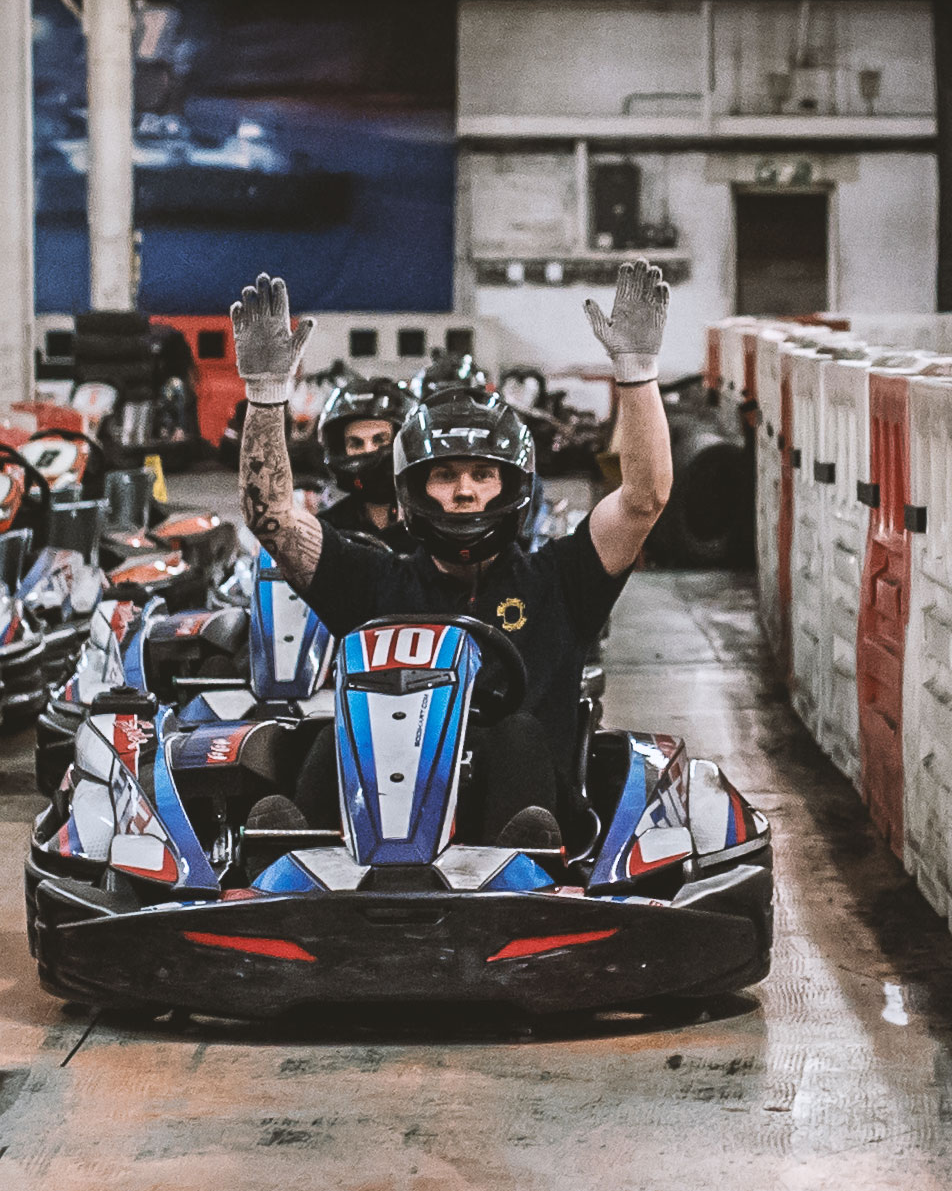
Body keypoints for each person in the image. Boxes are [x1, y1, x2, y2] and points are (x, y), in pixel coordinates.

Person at [232, 261, 674, 849]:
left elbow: (644, 499)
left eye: (483, 475)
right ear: (412, 488)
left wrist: (638, 377)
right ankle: (290, 869)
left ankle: (522, 859)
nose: (465, 490)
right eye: (444, 475)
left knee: (513, 732)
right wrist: (266, 398)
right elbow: (273, 520)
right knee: (331, 733)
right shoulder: (374, 581)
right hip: (377, 827)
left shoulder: (559, 581)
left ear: (512, 486)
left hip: (522, 842)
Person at [312, 374, 418, 553]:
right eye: (356, 443)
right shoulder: (326, 528)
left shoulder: (430, 526)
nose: (368, 451)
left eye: (379, 440)